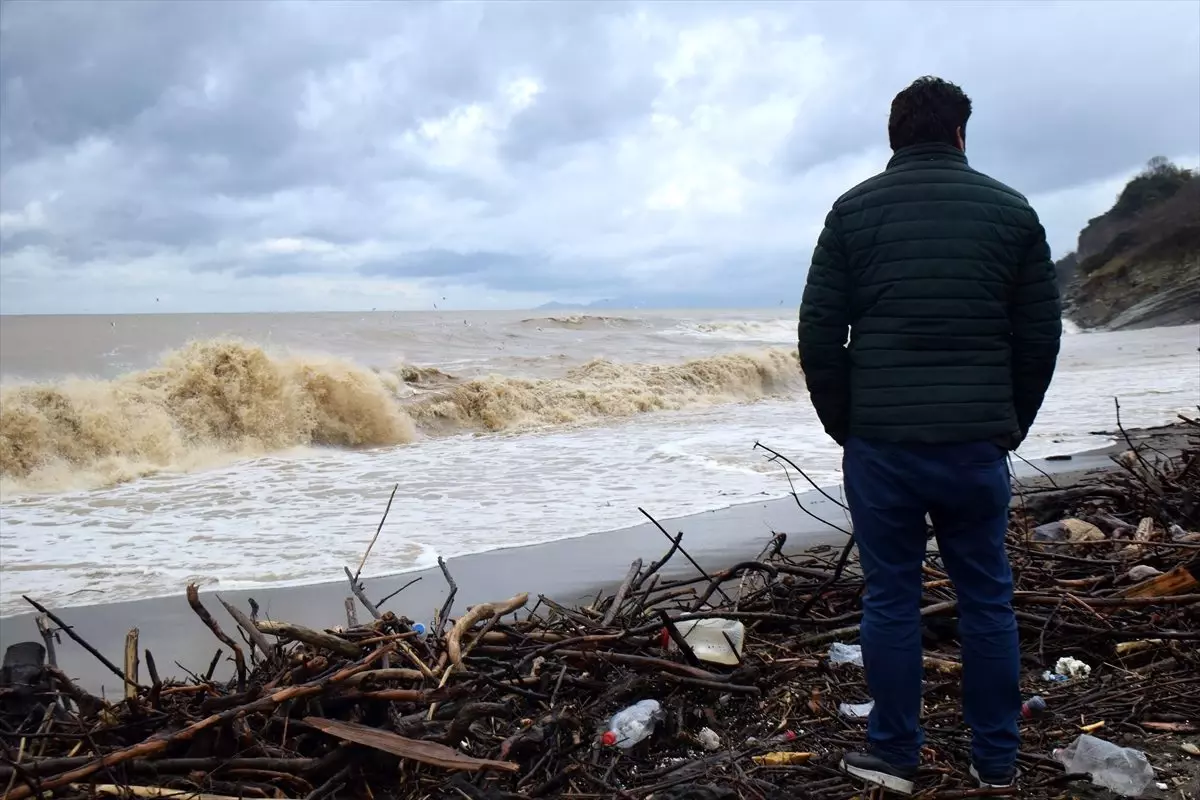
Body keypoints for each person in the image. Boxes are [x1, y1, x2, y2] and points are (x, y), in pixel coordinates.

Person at [797, 76, 1063, 795]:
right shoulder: (1013, 211)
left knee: (890, 597)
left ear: (894, 137)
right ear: (958, 135)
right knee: (985, 598)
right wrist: (1011, 423)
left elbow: (819, 333)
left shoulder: (851, 213)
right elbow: (1040, 336)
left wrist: (845, 423)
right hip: (976, 443)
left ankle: (893, 754)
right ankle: (997, 759)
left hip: (883, 446)